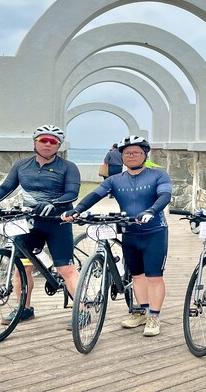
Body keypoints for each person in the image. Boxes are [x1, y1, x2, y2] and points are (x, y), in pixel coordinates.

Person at [0, 124, 81, 330]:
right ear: (35, 142)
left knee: (66, 269)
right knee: (22, 268)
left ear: (58, 146)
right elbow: (5, 188)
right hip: (29, 224)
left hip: (57, 223)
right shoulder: (22, 166)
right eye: (43, 140)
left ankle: (83, 311)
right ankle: (24, 308)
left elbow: (72, 193)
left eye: (53, 142)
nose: (47, 144)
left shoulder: (68, 167)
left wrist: (54, 203)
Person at [63, 135, 172, 337]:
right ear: (121, 156)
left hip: (154, 232)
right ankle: (142, 311)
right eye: (127, 153)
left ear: (144, 155)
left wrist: (151, 211)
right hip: (130, 232)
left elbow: (165, 195)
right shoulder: (115, 180)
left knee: (154, 276)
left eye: (136, 152)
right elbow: (95, 195)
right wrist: (77, 209)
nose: (131, 156)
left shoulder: (159, 175)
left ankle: (154, 317)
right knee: (137, 276)